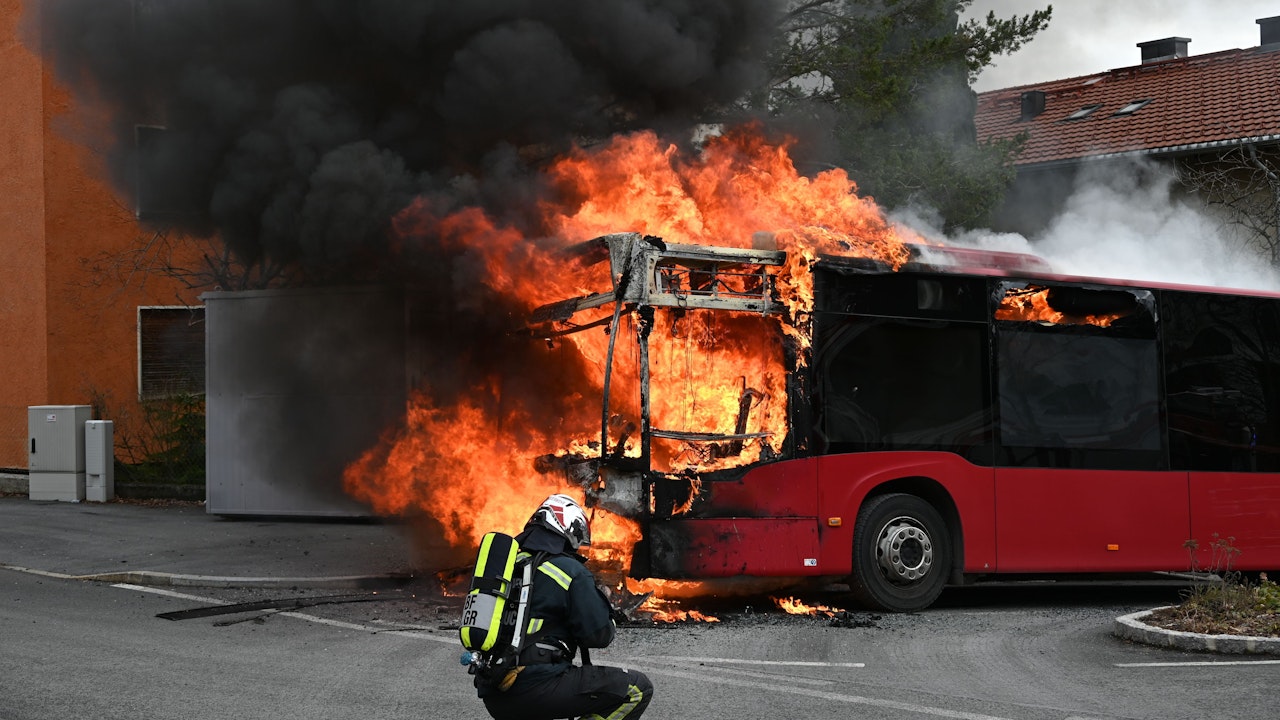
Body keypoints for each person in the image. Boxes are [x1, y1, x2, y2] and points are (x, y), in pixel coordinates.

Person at [477, 493, 654, 720]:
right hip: (536, 687)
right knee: (637, 689)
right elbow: (599, 635)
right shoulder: (567, 569)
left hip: (494, 690)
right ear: (568, 527)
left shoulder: (508, 567)